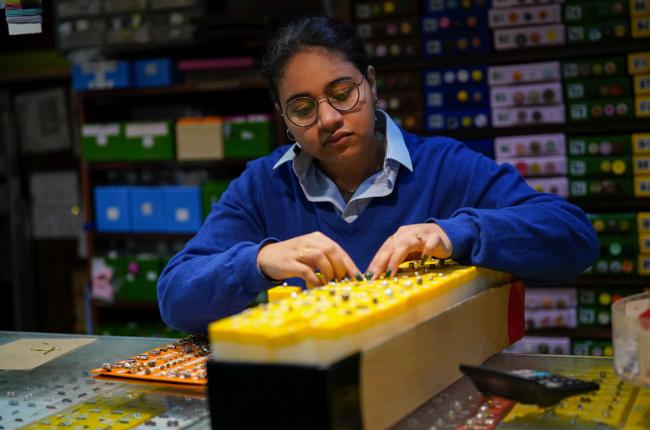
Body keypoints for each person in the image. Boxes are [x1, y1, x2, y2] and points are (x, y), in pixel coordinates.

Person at [158, 16, 598, 333]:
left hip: (437, 381)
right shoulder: (263, 187)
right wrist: (257, 261)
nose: (328, 118)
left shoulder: (445, 167)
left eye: (342, 93)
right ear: (283, 119)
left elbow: (574, 238)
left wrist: (453, 233)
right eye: (303, 108)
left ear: (371, 83)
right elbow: (176, 300)